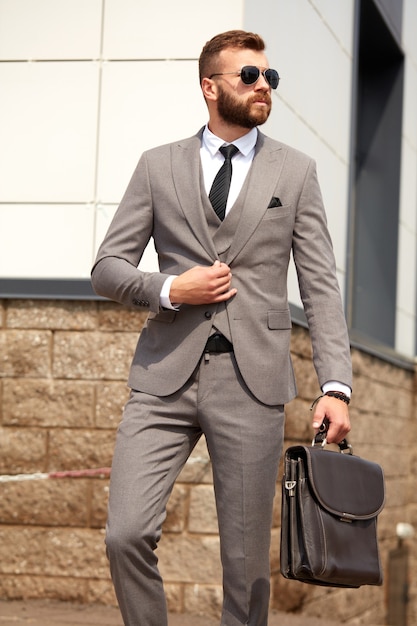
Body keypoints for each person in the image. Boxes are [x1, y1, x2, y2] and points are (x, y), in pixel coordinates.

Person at [91, 29, 352, 626]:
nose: (265, 87)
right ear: (210, 87)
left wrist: (335, 385)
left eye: (270, 78)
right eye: (250, 76)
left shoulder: (297, 172)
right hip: (163, 378)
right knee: (125, 534)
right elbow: (107, 267)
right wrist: (167, 288)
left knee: (245, 564)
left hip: (252, 383)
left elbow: (320, 288)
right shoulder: (158, 166)